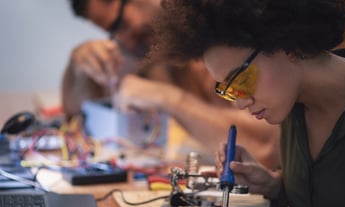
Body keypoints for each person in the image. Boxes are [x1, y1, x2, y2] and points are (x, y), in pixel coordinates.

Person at [150, 0, 345, 207]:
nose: (239, 102)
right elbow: (321, 198)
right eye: (227, 90)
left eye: (239, 80)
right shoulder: (292, 106)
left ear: (288, 45)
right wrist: (273, 185)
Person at [62, 0, 280, 168]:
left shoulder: (228, 29)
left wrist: (168, 98)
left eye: (121, 23)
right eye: (113, 32)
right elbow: (77, 119)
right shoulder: (147, 45)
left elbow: (266, 149)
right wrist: (78, 65)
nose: (125, 41)